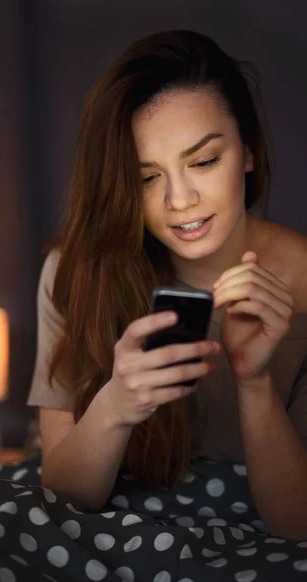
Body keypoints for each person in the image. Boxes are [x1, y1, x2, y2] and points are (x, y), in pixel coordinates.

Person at [27, 29, 307, 541]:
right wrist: (118, 402)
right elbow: (64, 499)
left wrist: (254, 382)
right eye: (146, 177)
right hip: (109, 535)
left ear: (248, 150)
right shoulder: (76, 272)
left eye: (202, 162)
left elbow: (299, 527)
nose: (180, 200)